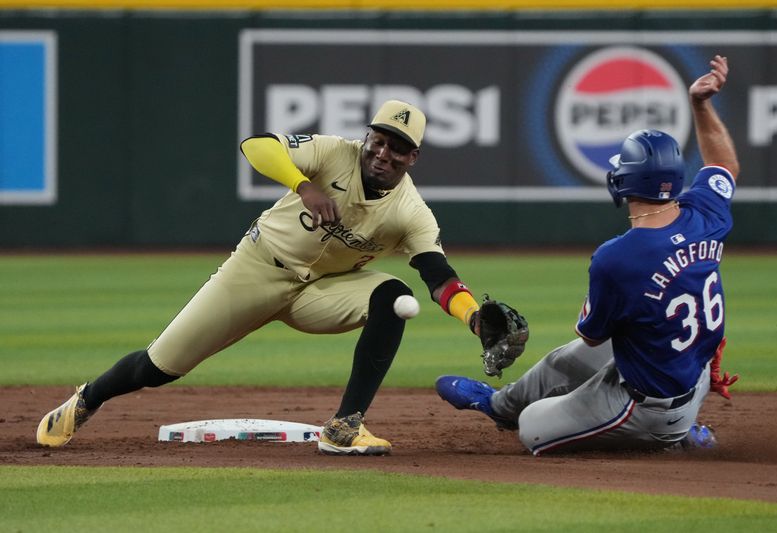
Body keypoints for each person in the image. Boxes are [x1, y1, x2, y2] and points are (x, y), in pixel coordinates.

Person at [37, 100, 515, 456]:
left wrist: (474, 318)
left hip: (319, 293)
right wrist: (303, 186)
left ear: (413, 158)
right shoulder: (333, 153)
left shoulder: (412, 213)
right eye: (380, 140)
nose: (384, 153)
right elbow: (257, 145)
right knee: (160, 366)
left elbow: (438, 275)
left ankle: (344, 426)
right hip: (256, 268)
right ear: (368, 138)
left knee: (393, 297)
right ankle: (88, 398)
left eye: (399, 148)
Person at [436, 54, 740, 455]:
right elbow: (723, 163)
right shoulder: (705, 211)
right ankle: (497, 405)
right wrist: (701, 105)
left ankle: (674, 436)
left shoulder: (618, 257)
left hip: (645, 405)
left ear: (623, 183)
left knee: (533, 428)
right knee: (575, 357)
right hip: (691, 370)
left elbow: (593, 331)